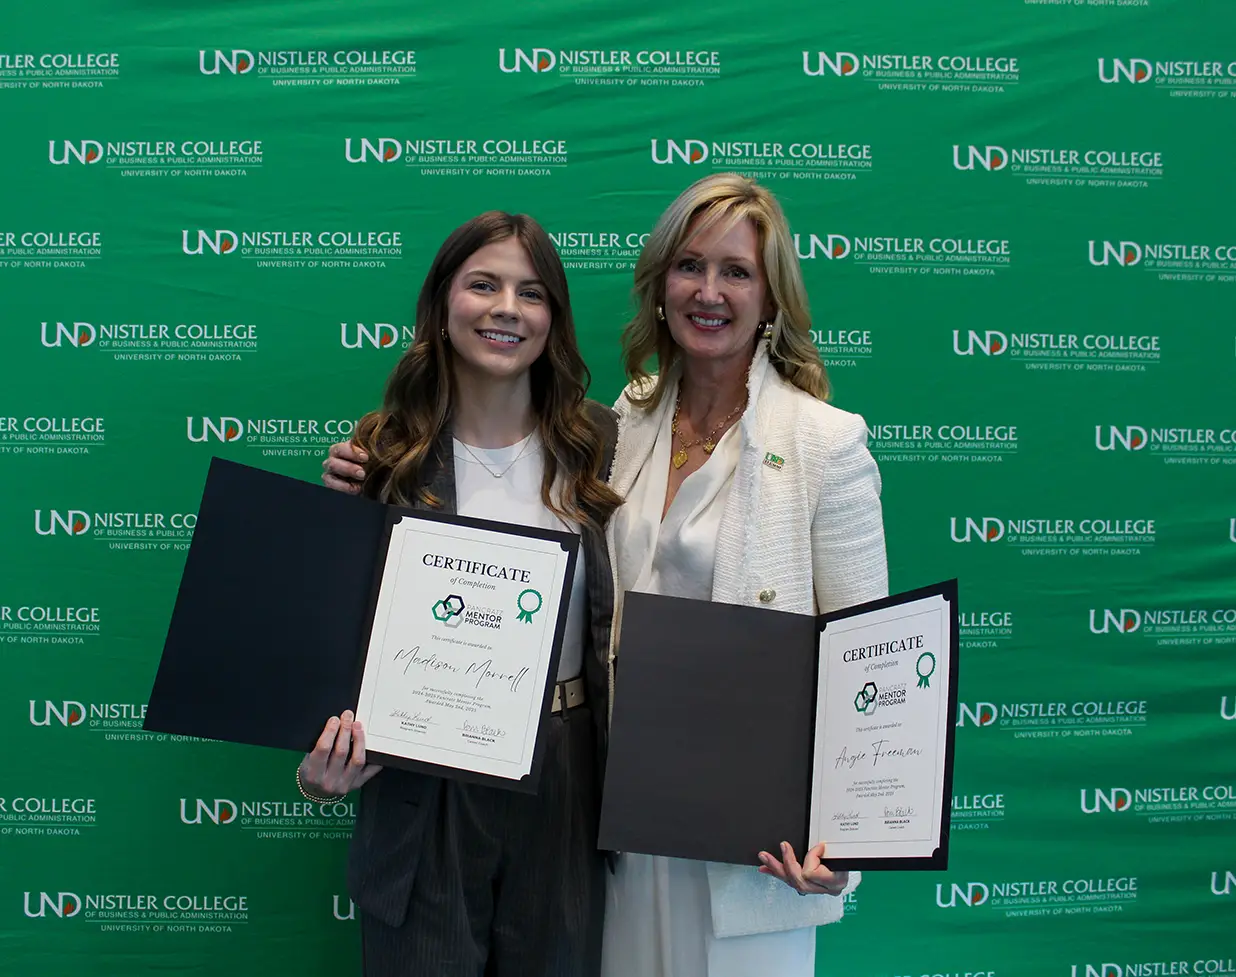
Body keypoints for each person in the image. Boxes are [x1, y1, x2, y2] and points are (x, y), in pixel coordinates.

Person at [324, 173, 888, 977]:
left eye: (736, 272)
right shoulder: (622, 424)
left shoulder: (820, 443)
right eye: (690, 266)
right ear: (660, 285)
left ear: (771, 297)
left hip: (742, 832)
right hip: (619, 816)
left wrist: (850, 840)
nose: (709, 291)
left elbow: (867, 658)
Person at [304, 210, 623, 977]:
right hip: (420, 775)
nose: (507, 308)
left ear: (554, 318)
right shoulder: (382, 454)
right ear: (443, 302)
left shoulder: (603, 442)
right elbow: (336, 637)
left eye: (531, 292)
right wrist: (317, 763)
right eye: (484, 285)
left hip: (566, 770)